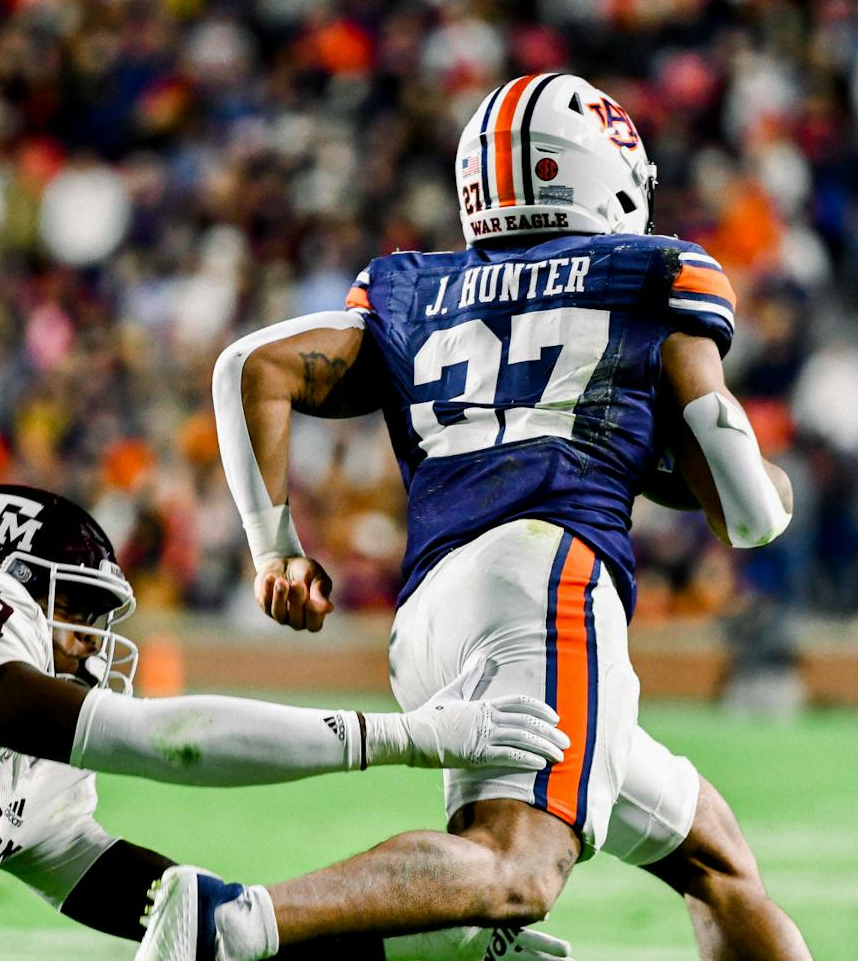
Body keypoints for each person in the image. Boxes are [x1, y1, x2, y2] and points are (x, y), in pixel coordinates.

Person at [206, 72, 813, 960]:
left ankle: (406, 941)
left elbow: (250, 366)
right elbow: (747, 513)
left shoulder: (414, 287)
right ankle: (240, 927)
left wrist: (275, 550)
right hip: (545, 584)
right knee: (513, 872)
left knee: (715, 857)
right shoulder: (653, 273)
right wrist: (771, 486)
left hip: (431, 622)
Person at [0, 484, 572, 961]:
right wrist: (407, 736)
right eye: (77, 607)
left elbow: (187, 920)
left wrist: (405, 950)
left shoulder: (28, 777)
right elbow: (166, 741)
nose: (94, 641)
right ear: (0, 578)